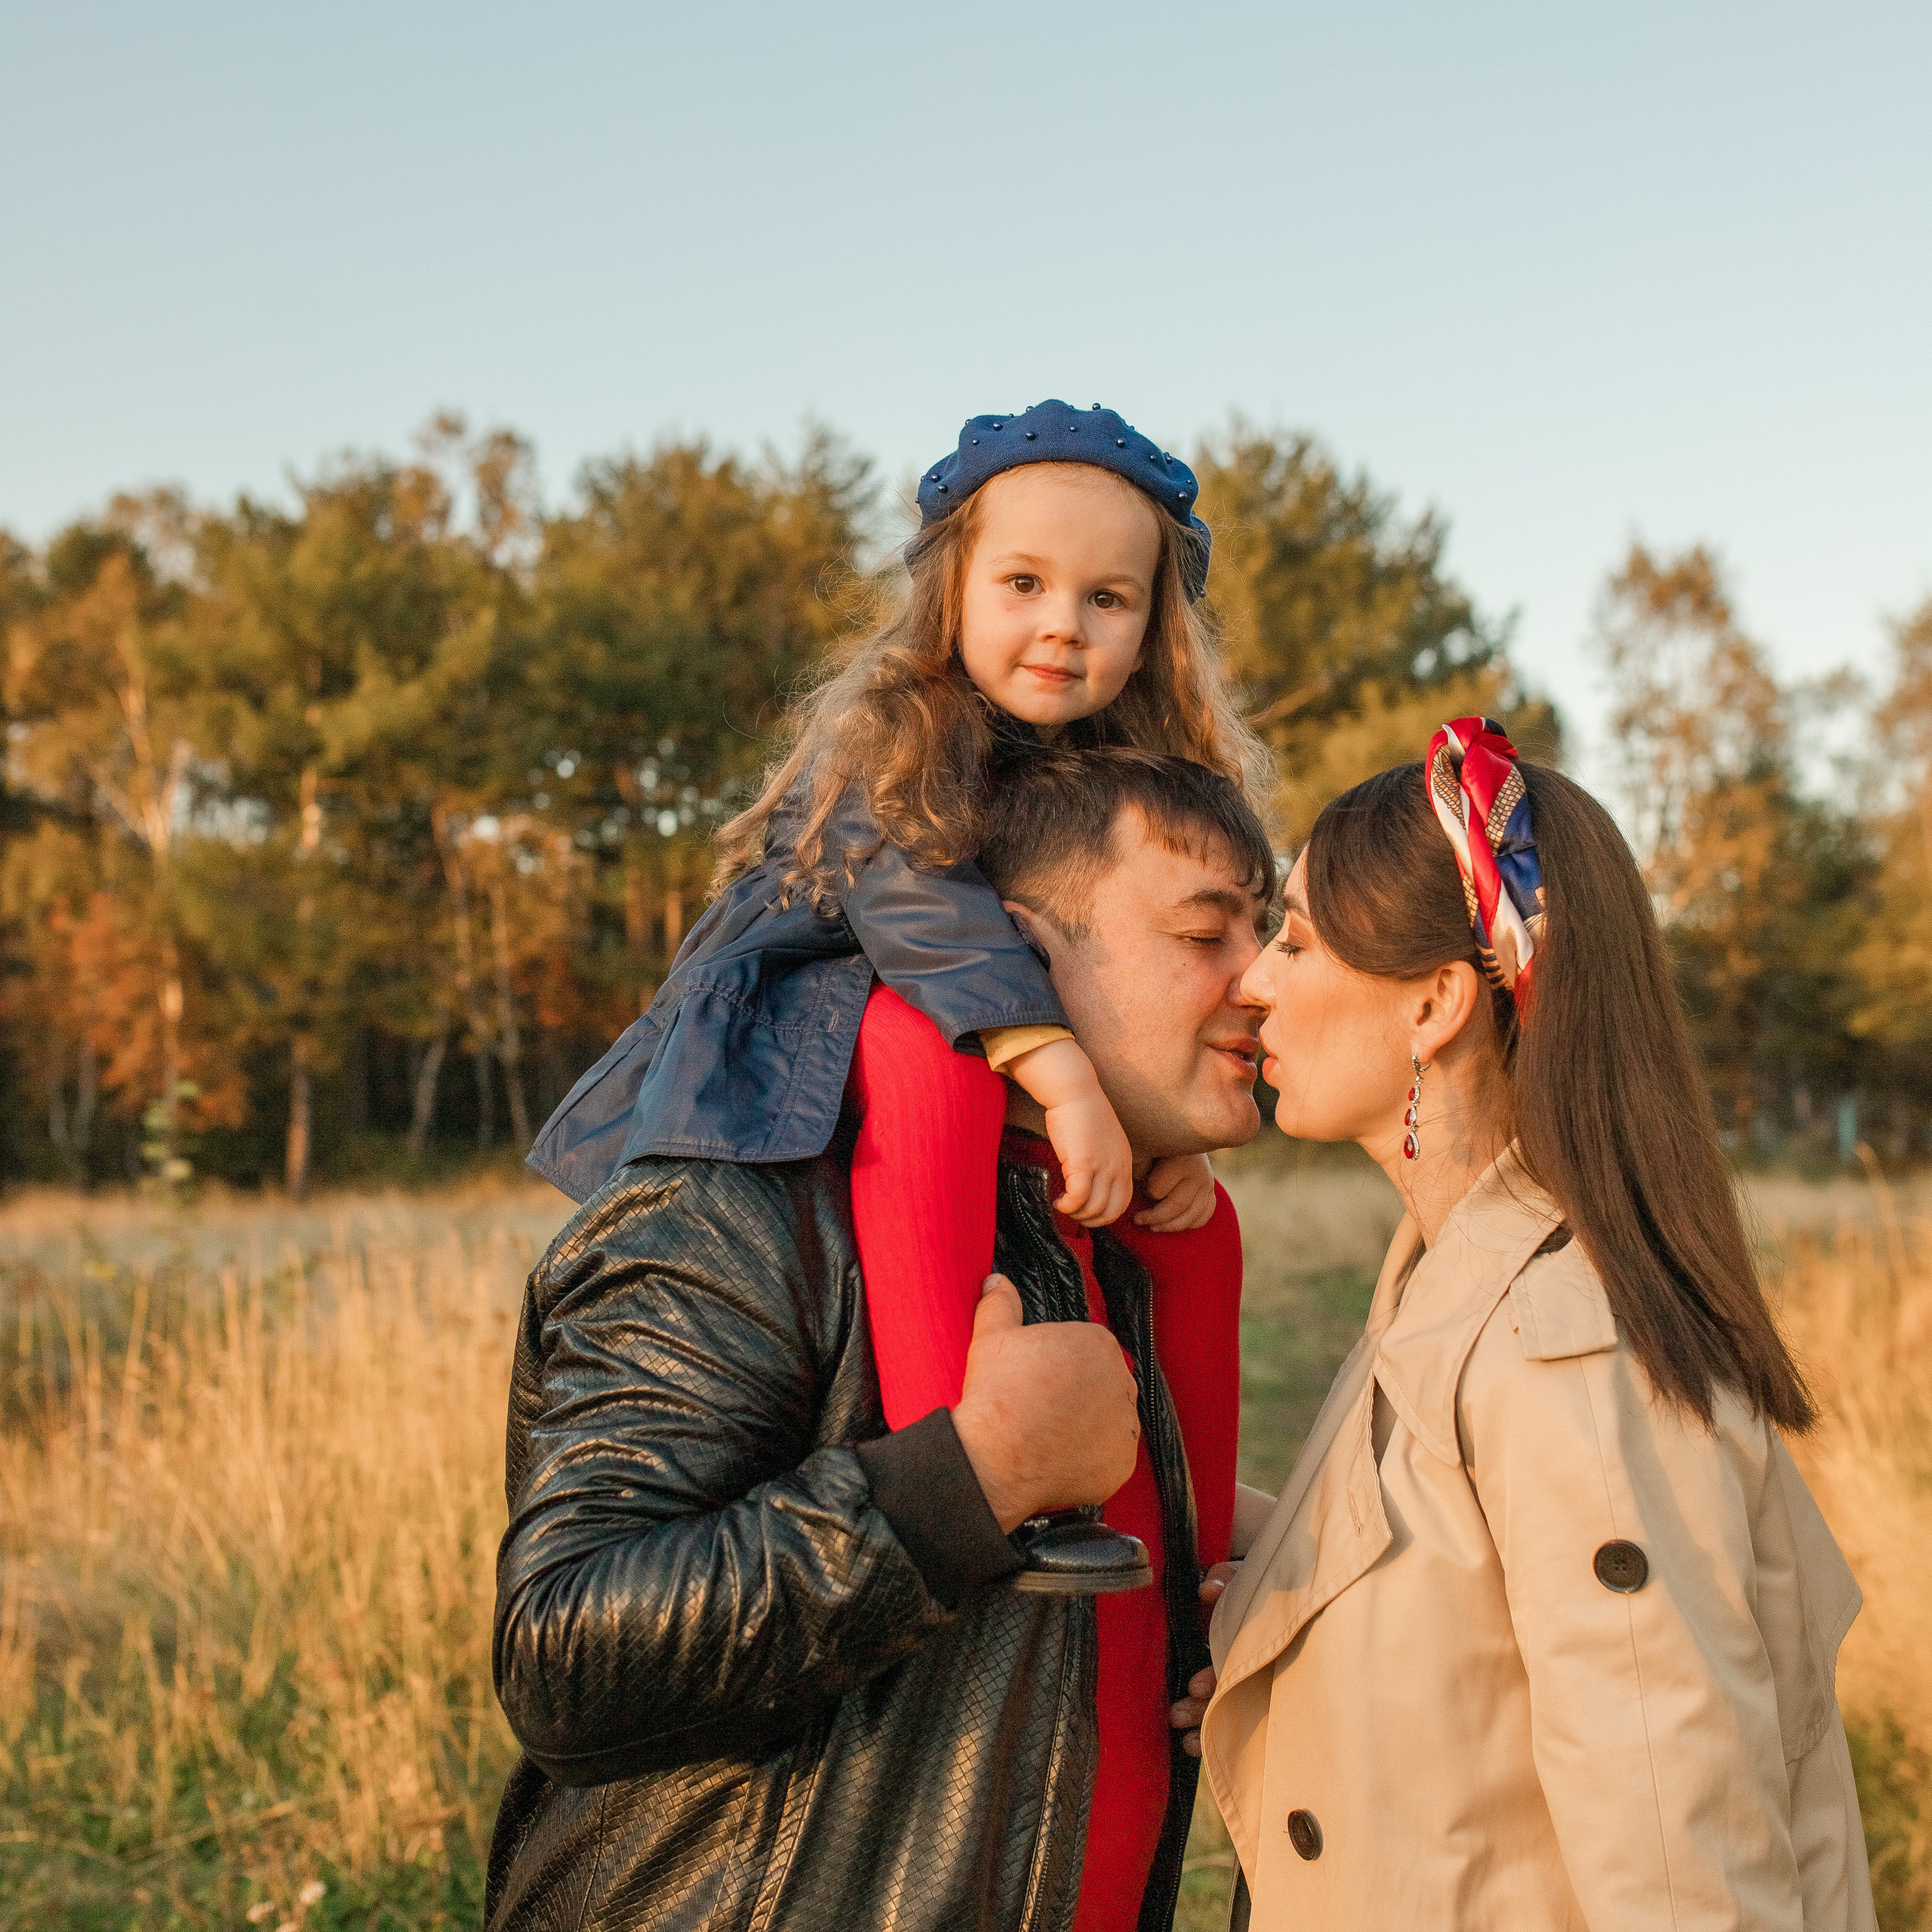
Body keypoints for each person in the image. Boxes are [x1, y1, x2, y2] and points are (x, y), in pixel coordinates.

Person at [490, 748, 1276, 1932]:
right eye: (1204, 934)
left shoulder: (1107, 1228)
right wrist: (976, 1476)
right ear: (1019, 952)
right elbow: (565, 1657)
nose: (1260, 981)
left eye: (1264, 933)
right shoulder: (744, 1201)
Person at [525, 400, 1271, 1588]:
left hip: (954, 1030)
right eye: (1023, 583)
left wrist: (1155, 1125)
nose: (1062, 627)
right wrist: (1070, 1078)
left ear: (1152, 628)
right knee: (933, 1053)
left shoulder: (1106, 772)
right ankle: (961, 1456)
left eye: (1107, 599)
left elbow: (1086, 945)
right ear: (952, 592)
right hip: (797, 1037)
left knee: (1196, 1215)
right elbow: (924, 915)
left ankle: (1191, 1555)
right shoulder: (900, 732)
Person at [1200, 718, 1875, 1930]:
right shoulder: (1453, 1283)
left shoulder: (1567, 1354)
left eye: (1295, 941)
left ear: (1434, 1007)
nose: (1252, 981)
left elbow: (1682, 1872)